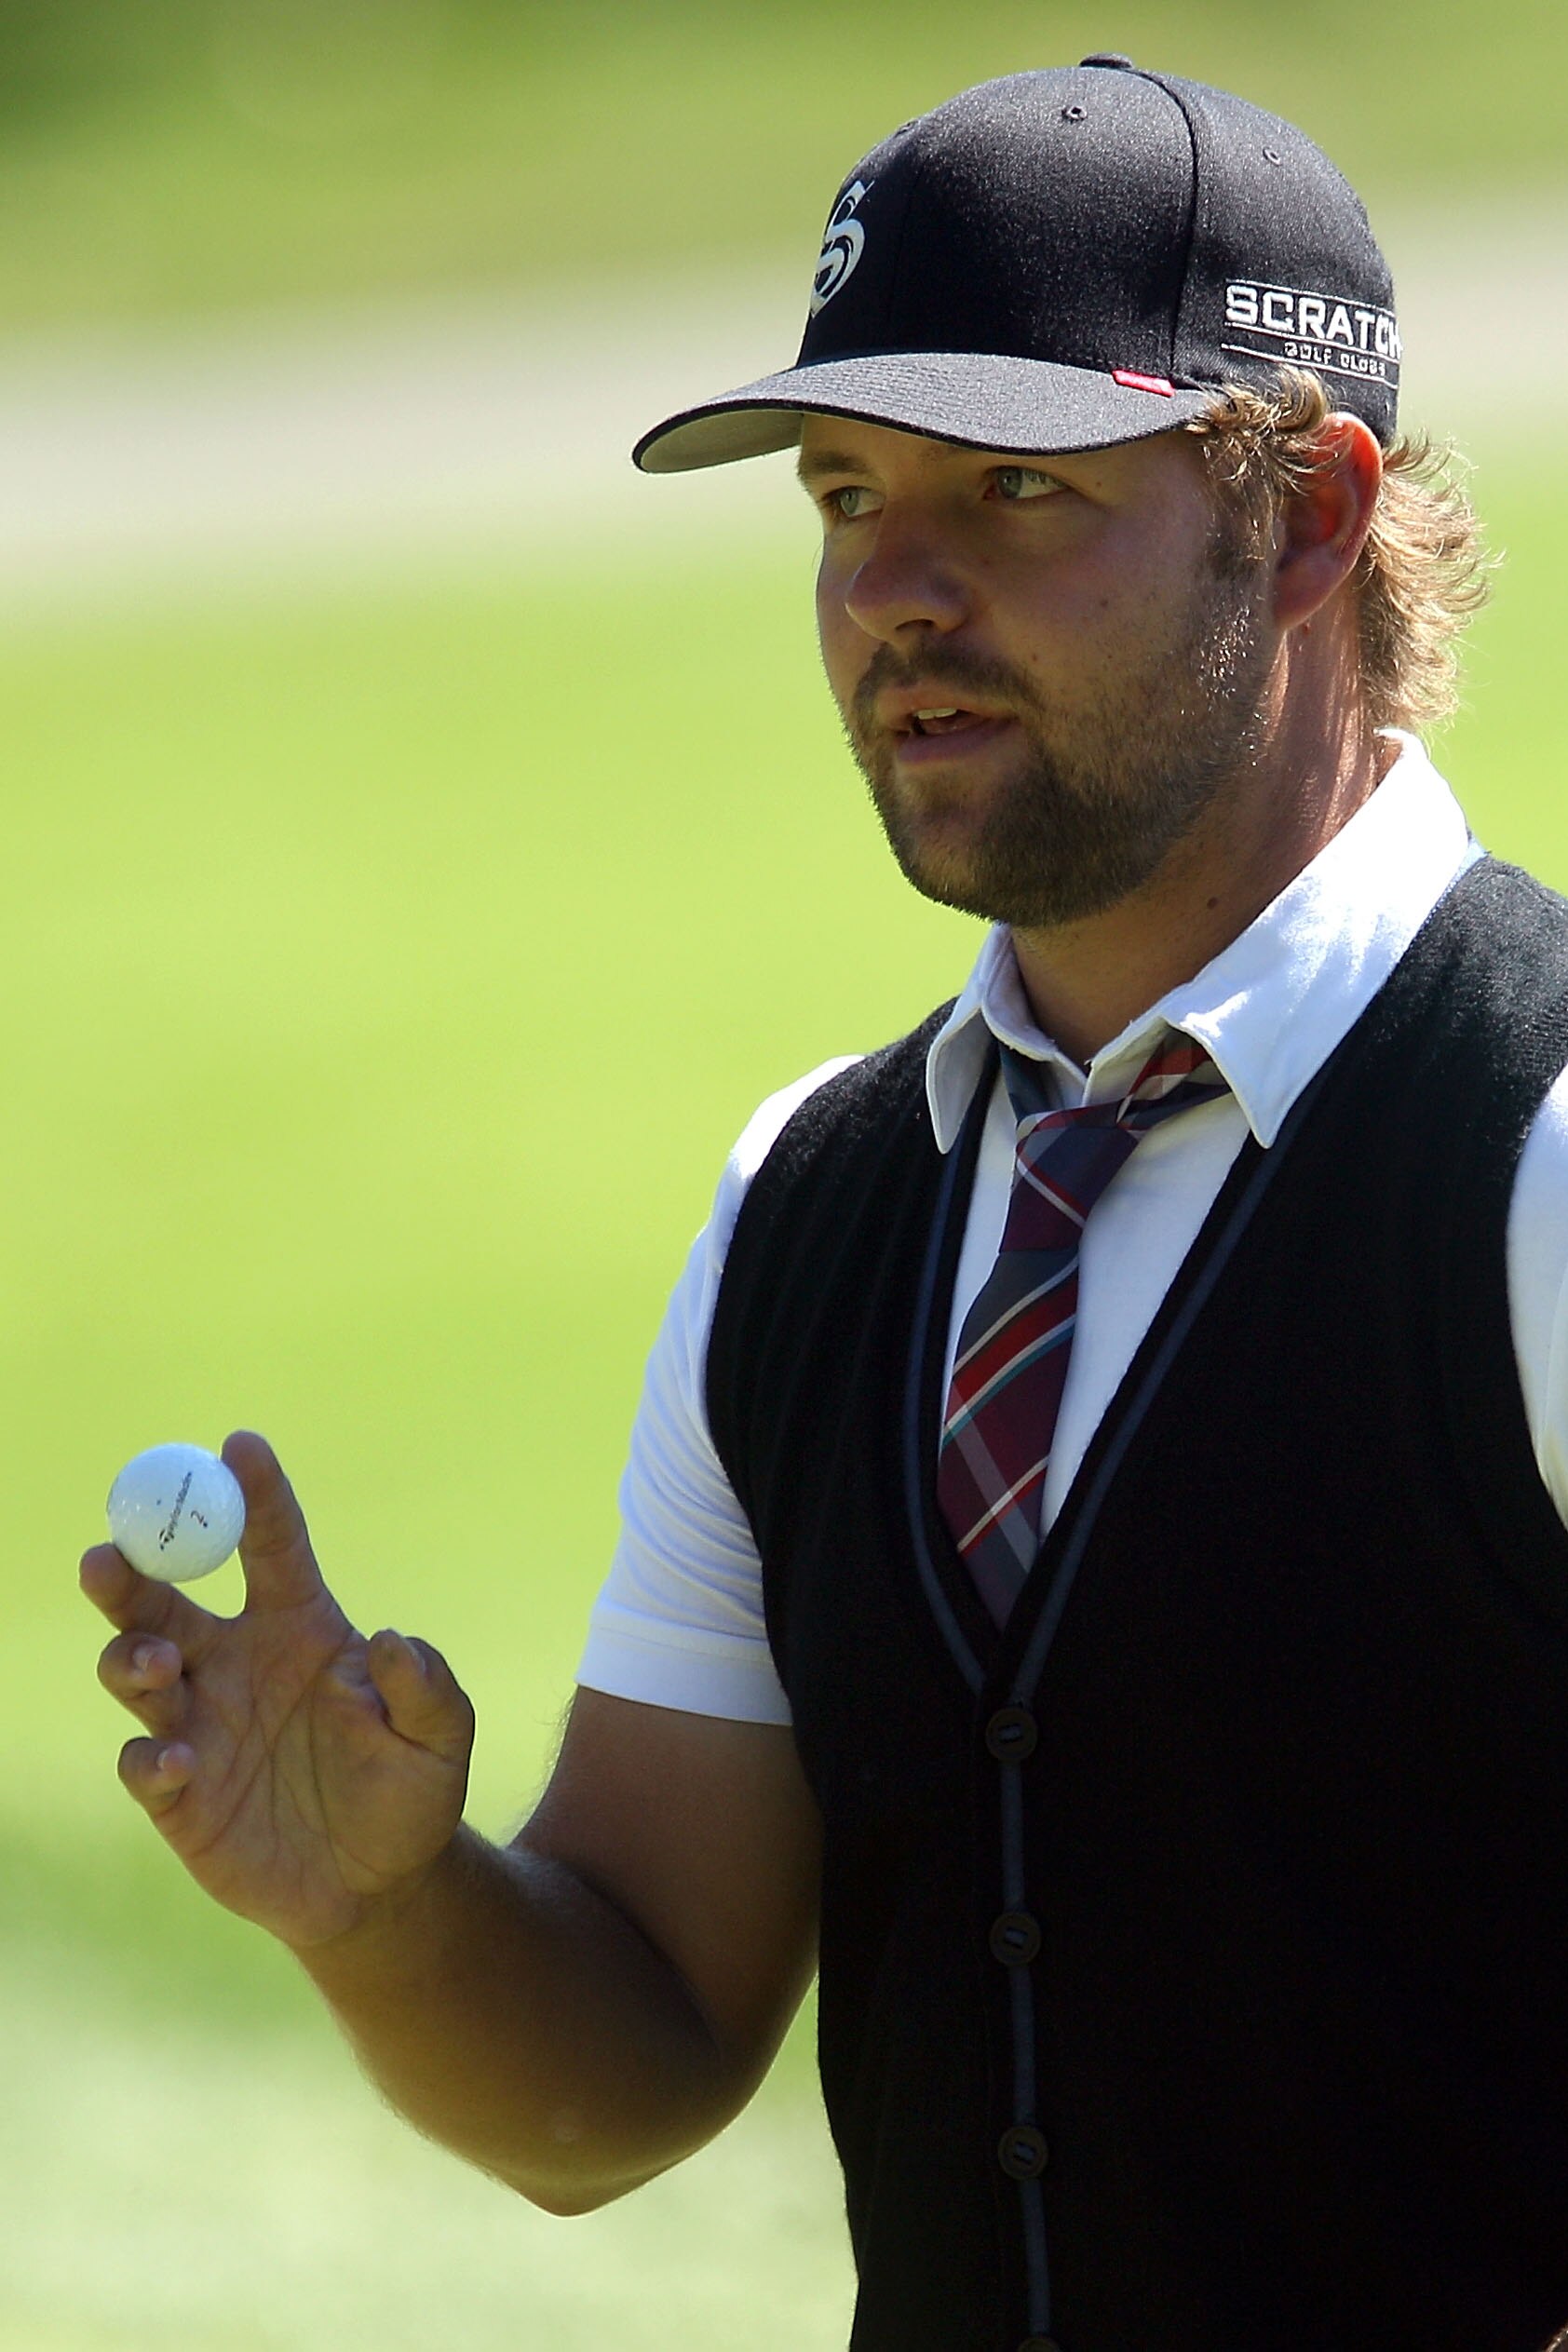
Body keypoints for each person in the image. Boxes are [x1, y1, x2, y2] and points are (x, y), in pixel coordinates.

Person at [81, 57, 1568, 2352]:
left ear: (1298, 521)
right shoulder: (817, 1202)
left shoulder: (1539, 1144)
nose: (890, 584)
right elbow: (630, 2059)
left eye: (1008, 490)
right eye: (845, 494)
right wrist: (375, 1912)